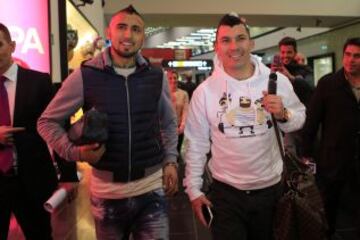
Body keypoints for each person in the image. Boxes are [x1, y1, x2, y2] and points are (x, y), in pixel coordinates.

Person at [37, 5, 178, 240]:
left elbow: (169, 122)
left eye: (136, 29)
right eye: (121, 27)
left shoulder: (155, 76)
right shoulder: (86, 75)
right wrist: (76, 153)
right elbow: (47, 121)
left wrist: (171, 160)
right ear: (109, 33)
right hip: (107, 194)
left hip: (152, 188)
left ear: (142, 36)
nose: (128, 35)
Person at [183, 13, 305, 240]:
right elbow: (196, 143)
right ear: (216, 46)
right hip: (225, 193)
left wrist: (283, 113)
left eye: (240, 38)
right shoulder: (205, 91)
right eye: (226, 40)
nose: (234, 46)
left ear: (251, 43)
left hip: (271, 190)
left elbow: (299, 118)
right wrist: (193, 190)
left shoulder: (276, 81)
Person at [0, 23, 58, 240]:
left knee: (40, 235)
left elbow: (57, 126)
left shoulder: (38, 82)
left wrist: (68, 173)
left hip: (32, 179)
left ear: (12, 46)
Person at [302, 37, 360, 239]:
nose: (351, 60)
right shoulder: (328, 84)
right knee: (329, 210)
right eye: (348, 55)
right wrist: (306, 154)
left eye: (357, 56)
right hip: (333, 159)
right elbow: (311, 121)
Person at [167, 70, 189, 160]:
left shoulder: (184, 94)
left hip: (179, 128)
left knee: (177, 151)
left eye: (175, 78)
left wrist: (182, 126)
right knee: (167, 153)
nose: (173, 80)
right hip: (166, 129)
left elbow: (185, 111)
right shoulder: (163, 93)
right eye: (170, 78)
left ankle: (177, 169)